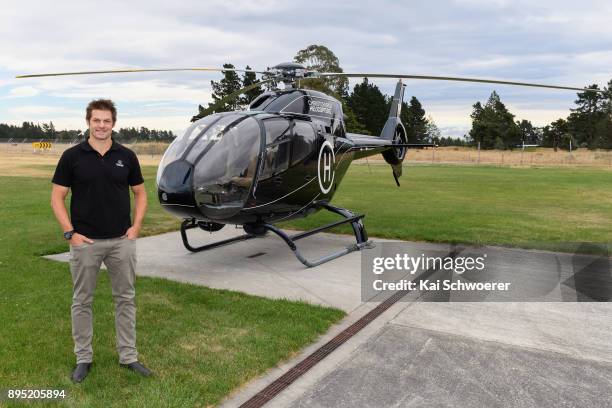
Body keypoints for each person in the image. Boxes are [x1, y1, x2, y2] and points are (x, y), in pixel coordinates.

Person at [51, 99, 152, 383]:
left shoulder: (127, 156)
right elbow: (57, 197)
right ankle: (84, 358)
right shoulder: (72, 156)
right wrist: (70, 233)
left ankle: (128, 357)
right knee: (82, 301)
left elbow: (141, 193)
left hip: (122, 241)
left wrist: (136, 227)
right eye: (96, 120)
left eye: (106, 121)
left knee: (126, 299)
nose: (101, 125)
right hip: (85, 244)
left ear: (113, 124)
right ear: (88, 122)